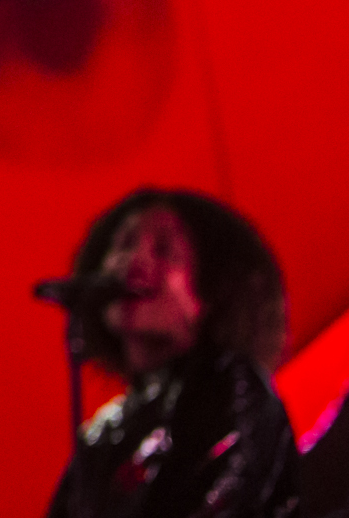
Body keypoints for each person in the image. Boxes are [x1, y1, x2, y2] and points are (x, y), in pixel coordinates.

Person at [43, 188, 300, 518]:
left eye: (164, 249)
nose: (134, 261)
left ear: (210, 290)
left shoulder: (231, 386)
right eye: (123, 244)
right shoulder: (102, 434)